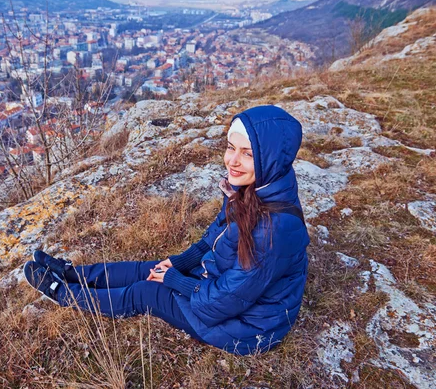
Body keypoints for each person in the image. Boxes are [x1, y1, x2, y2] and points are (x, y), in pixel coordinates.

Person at [24, 105, 310, 355]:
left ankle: (62, 293)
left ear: (269, 159)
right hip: (225, 284)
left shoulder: (275, 229)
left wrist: (176, 280)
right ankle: (71, 274)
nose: (232, 161)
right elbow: (214, 236)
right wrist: (179, 263)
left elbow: (221, 302)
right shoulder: (253, 188)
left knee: (146, 292)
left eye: (246, 153)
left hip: (249, 325)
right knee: (147, 268)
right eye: (230, 147)